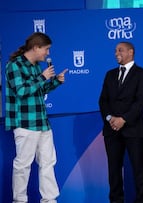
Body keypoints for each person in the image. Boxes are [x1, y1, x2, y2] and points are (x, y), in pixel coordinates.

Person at [5, 32, 68, 203]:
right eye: (46, 49)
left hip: (42, 123)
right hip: (25, 124)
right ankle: (19, 201)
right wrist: (42, 77)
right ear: (36, 47)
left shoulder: (35, 66)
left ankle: (50, 200)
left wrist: (56, 82)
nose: (48, 53)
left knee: (48, 163)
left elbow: (38, 91)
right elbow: (21, 91)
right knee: (22, 166)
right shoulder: (14, 65)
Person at [98, 41, 143, 203]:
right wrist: (110, 119)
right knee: (113, 169)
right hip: (111, 130)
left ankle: (141, 200)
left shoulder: (142, 74)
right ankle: (115, 200)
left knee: (138, 168)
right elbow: (103, 101)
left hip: (133, 129)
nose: (116, 53)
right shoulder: (110, 74)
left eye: (120, 50)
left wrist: (124, 119)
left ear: (131, 52)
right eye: (115, 51)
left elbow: (140, 102)